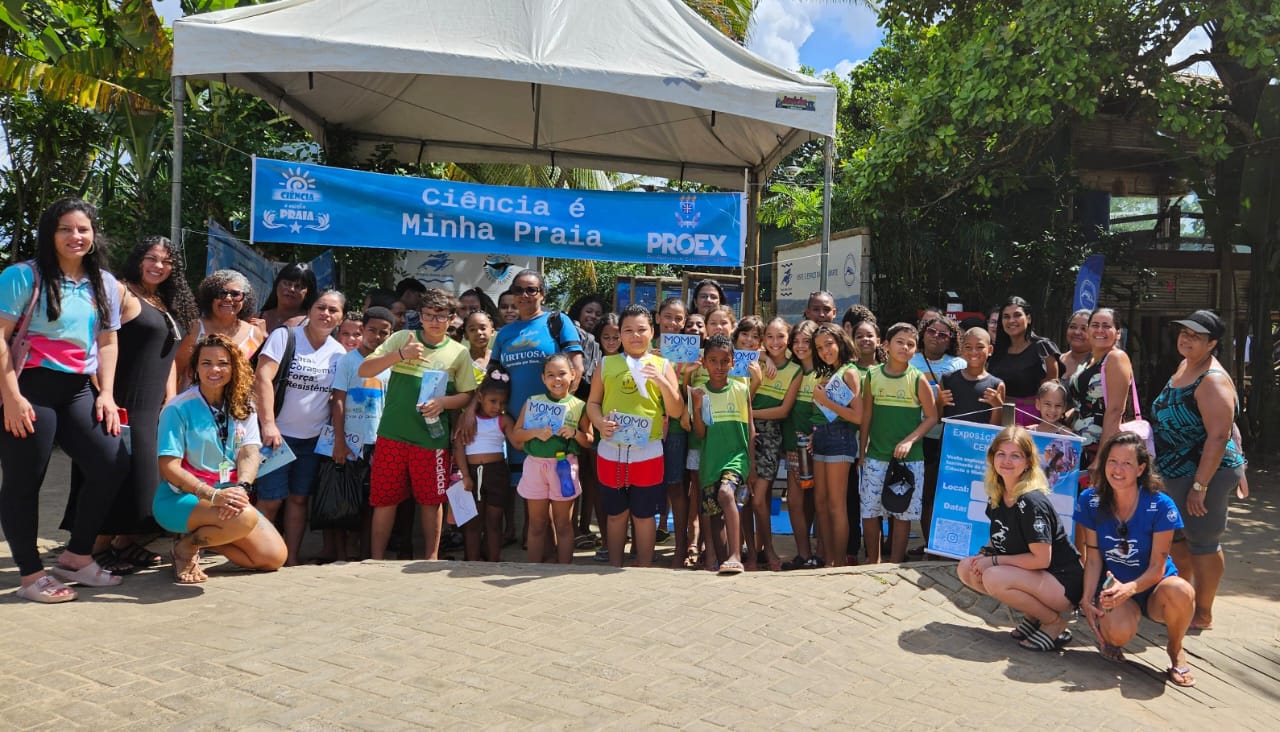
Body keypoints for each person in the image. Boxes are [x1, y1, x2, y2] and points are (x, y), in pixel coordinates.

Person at [0, 198, 129, 602]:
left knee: (112, 460)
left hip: (77, 388)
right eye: (65, 229)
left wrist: (106, 393)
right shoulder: (23, 276)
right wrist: (12, 398)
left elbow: (108, 341)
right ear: (50, 235)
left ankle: (77, 556)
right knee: (25, 481)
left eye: (83, 229)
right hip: (29, 386)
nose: (76, 236)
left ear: (94, 235)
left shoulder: (105, 283)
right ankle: (30, 576)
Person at [61, 234, 199, 573]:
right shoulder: (120, 290)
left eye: (167, 261)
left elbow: (166, 359)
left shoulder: (164, 302)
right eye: (152, 258)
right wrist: (101, 394)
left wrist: (171, 401)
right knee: (115, 472)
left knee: (145, 478)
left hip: (152, 406)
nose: (159, 266)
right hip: (120, 403)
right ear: (138, 257)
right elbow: (94, 342)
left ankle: (125, 542)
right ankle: (92, 549)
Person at [155, 334, 287, 583]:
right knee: (245, 517)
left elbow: (249, 450)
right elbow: (168, 467)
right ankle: (187, 549)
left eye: (223, 363)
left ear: (234, 367)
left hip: (229, 497)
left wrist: (242, 487)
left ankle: (203, 536)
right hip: (182, 499)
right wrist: (213, 495)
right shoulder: (177, 408)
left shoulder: (243, 404)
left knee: (273, 557)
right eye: (206, 363)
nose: (214, 369)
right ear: (195, 368)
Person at [360, 288, 477, 560]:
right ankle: (376, 560)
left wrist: (443, 403)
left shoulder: (458, 353)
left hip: (431, 439)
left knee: (431, 500)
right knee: (384, 500)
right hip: (392, 435)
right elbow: (364, 369)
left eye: (441, 316)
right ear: (420, 316)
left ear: (451, 319)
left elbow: (467, 395)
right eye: (428, 315)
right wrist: (400, 355)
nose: (434, 321)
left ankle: (431, 559)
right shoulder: (403, 338)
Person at [1075, 431, 1197, 687]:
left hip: (1154, 588)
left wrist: (1128, 589)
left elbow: (1157, 567)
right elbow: (1094, 558)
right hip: (1113, 588)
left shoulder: (1161, 505)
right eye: (1112, 461)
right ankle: (1112, 631)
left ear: (1141, 468)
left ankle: (1176, 649)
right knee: (1117, 635)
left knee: (1182, 590)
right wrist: (1087, 598)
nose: (1118, 469)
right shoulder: (1090, 500)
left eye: (1127, 463)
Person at [1152, 310, 1246, 631]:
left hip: (1205, 473)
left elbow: (1220, 435)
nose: (1187, 338)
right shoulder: (1185, 365)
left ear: (1213, 343)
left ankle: (1203, 612)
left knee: (1203, 540)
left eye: (1196, 336)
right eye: (1184, 332)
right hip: (1175, 468)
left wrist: (1200, 486)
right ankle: (1183, 596)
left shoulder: (1213, 380)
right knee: (1178, 534)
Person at [956, 427, 1083, 651]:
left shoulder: (1031, 501)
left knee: (995, 577)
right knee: (967, 568)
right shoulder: (998, 492)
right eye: (1001, 454)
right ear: (992, 458)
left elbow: (1041, 560)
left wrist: (993, 562)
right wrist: (983, 556)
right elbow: (1001, 536)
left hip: (1062, 581)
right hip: (1037, 576)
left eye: (1015, 455)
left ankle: (1054, 623)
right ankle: (1034, 617)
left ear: (1027, 462)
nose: (1007, 461)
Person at [253, 290, 347, 566]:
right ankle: (257, 554)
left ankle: (290, 558)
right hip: (276, 438)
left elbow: (336, 399)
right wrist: (268, 424)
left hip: (313, 441)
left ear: (341, 317)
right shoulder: (285, 337)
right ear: (310, 309)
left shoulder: (338, 352)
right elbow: (263, 379)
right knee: (270, 501)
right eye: (321, 307)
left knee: (298, 500)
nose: (326, 314)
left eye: (333, 310)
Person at [587, 305, 683, 568]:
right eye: (628, 330)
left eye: (641, 330)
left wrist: (662, 381)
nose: (635, 336)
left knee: (644, 515)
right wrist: (599, 422)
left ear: (652, 332)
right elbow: (593, 403)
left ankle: (644, 568)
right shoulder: (607, 363)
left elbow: (676, 410)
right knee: (616, 514)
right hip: (611, 451)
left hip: (648, 452)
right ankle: (616, 563)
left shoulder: (663, 365)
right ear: (620, 334)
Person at [859, 322, 937, 564]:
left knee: (902, 513)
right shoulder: (872, 375)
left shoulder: (917, 379)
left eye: (911, 344)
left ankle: (895, 563)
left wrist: (909, 441)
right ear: (886, 345)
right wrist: (862, 451)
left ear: (916, 350)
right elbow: (867, 416)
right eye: (900, 342)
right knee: (870, 512)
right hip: (876, 456)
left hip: (911, 461)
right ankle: (874, 561)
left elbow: (932, 416)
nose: (905, 347)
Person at [326, 306, 395, 562]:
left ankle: (367, 555)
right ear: (362, 330)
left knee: (372, 502)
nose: (376, 336)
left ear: (391, 334)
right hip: (351, 443)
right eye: (371, 330)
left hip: (379, 443)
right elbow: (339, 401)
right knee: (346, 500)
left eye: (383, 332)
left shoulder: (391, 365)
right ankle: (343, 555)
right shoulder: (348, 361)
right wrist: (340, 442)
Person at [510, 353, 592, 564]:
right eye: (551, 375)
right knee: (537, 524)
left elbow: (589, 440)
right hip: (535, 466)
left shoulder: (578, 406)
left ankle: (564, 569)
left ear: (573, 375)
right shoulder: (533, 403)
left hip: (564, 466)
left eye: (562, 374)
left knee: (563, 524)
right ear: (543, 379)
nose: (557, 380)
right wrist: (534, 432)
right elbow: (517, 435)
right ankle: (533, 566)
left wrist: (575, 434)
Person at [690, 333, 753, 575]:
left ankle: (736, 554)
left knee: (727, 494)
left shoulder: (740, 389)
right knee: (713, 513)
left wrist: (752, 467)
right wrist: (696, 407)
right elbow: (700, 433)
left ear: (732, 362)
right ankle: (725, 558)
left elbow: (751, 429)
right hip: (710, 462)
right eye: (713, 361)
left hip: (736, 458)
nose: (718, 366)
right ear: (704, 362)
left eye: (724, 361)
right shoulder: (697, 393)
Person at [809, 322, 864, 568]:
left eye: (829, 344)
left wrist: (824, 400)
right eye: (819, 347)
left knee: (835, 504)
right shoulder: (827, 372)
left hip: (840, 438)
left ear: (841, 342)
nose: (825, 351)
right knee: (820, 501)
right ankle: (828, 558)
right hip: (821, 436)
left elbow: (858, 416)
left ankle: (839, 562)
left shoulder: (850, 372)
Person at [749, 317, 801, 572]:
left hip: (769, 435)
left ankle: (768, 550)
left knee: (759, 498)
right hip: (743, 432)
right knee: (745, 497)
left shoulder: (796, 370)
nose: (775, 342)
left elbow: (783, 411)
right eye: (769, 336)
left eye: (780, 336)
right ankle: (752, 550)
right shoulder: (754, 359)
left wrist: (750, 414)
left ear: (788, 338)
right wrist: (763, 357)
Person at [911, 315, 966, 555]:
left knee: (940, 493)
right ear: (923, 333)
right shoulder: (908, 360)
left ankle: (942, 544)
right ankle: (928, 542)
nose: (936, 337)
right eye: (932, 331)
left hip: (946, 438)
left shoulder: (958, 365)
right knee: (921, 493)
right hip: (915, 436)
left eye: (943, 334)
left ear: (951, 341)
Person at [455, 368, 513, 562]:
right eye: (493, 401)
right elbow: (458, 448)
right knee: (473, 523)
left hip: (497, 474)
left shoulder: (504, 420)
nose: (498, 406)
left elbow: (517, 441)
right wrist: (465, 475)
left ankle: (493, 562)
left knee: (494, 522)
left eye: (502, 402)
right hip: (472, 475)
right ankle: (472, 562)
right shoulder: (467, 419)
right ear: (480, 397)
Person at [175, 270, 268, 387]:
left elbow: (260, 376)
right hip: (193, 401)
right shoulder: (195, 329)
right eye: (221, 293)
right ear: (210, 298)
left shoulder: (254, 334)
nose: (228, 299)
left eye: (235, 294)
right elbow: (176, 369)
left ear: (245, 299)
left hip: (236, 403)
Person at [1069, 307, 1133, 465]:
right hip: (1081, 443)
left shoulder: (1116, 357)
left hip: (1101, 447)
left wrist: (1101, 458)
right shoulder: (1090, 359)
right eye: (1095, 325)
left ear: (1118, 333)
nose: (1100, 330)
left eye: (1106, 326)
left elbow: (1115, 410)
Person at [780, 320, 820, 571]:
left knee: (819, 501)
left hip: (819, 446)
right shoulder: (791, 370)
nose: (800, 345)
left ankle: (821, 554)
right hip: (794, 444)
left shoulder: (825, 372)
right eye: (796, 340)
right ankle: (803, 554)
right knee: (795, 501)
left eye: (807, 340)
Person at [653, 297, 690, 566]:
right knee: (645, 486)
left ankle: (680, 546)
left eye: (678, 318)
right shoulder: (646, 349)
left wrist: (688, 373)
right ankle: (641, 544)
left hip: (677, 428)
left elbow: (686, 395)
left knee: (676, 486)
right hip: (649, 428)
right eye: (668, 316)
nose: (673, 323)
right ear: (657, 318)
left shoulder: (692, 354)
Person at [989, 296, 1060, 427]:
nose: (1011, 320)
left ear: (1028, 318)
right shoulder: (998, 350)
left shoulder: (1042, 347)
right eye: (1006, 316)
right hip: (998, 415)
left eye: (1017, 315)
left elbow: (1051, 392)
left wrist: (1045, 425)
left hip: (1032, 419)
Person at [938, 327, 1004, 427]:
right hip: (951, 441)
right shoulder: (947, 379)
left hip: (980, 442)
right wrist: (939, 403)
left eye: (980, 347)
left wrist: (998, 406)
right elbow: (938, 419)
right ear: (962, 349)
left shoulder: (997, 385)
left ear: (990, 350)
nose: (974, 352)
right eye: (968, 347)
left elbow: (996, 428)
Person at [259, 263, 318, 333]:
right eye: (286, 283)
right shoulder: (258, 317)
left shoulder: (311, 325)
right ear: (276, 285)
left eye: (298, 286)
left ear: (308, 293)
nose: (291, 289)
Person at [1058, 309, 1092, 381]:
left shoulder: (1099, 365)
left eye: (1084, 329)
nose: (1077, 332)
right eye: (1073, 327)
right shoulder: (1057, 361)